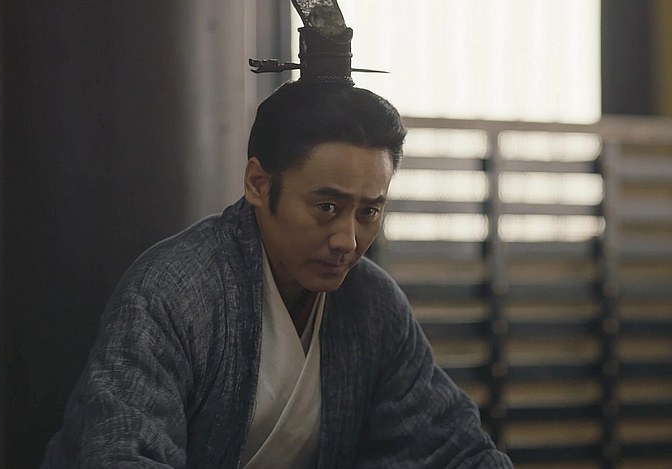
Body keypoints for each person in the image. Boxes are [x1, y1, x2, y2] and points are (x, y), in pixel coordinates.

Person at [43, 2, 513, 468]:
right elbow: (123, 454)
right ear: (258, 184)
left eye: (368, 211)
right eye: (326, 207)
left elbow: (453, 451)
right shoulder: (174, 293)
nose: (348, 241)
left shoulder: (373, 306)